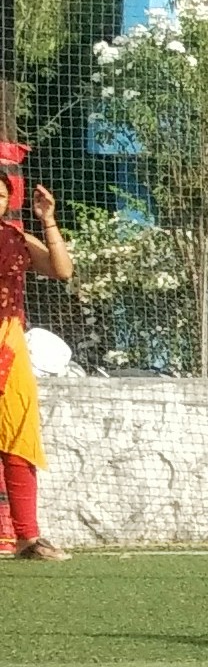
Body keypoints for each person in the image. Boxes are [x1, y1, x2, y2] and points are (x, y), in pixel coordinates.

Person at [1, 160, 73, 563]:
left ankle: (28, 538)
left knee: (18, 441)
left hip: (8, 350)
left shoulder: (18, 238)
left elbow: (62, 271)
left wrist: (48, 220)